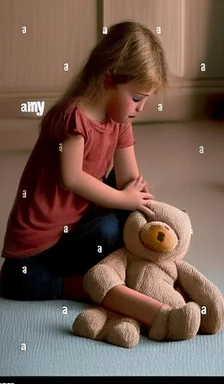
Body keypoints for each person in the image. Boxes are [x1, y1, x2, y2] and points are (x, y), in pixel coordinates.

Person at [0, 20, 173, 328]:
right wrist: (123, 197)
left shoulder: (120, 119)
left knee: (128, 212)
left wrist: (147, 211)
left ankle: (123, 273)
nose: (142, 107)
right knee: (108, 229)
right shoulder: (73, 118)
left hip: (77, 223)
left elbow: (128, 181)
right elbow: (73, 178)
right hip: (41, 246)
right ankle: (82, 284)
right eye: (136, 97)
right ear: (108, 80)